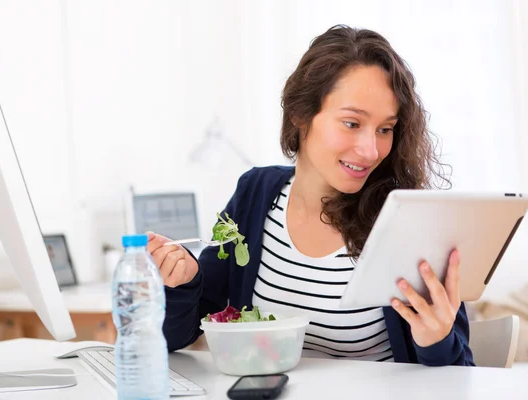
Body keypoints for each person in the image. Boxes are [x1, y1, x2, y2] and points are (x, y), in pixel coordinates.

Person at [146, 24, 474, 366]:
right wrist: (183, 283)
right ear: (301, 115)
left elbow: (464, 375)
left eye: (385, 129)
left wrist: (436, 341)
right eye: (352, 123)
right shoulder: (255, 193)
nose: (371, 150)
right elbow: (177, 337)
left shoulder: (410, 220)